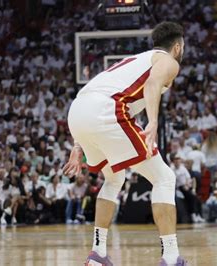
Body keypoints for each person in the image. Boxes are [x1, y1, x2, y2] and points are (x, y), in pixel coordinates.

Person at [62, 22, 187, 265]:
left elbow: (89, 96)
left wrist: (77, 145)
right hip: (107, 110)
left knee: (114, 178)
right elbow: (152, 84)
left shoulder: (134, 61)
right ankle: (171, 258)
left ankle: (97, 254)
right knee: (164, 178)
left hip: (77, 112)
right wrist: (152, 121)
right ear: (177, 47)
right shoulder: (168, 61)